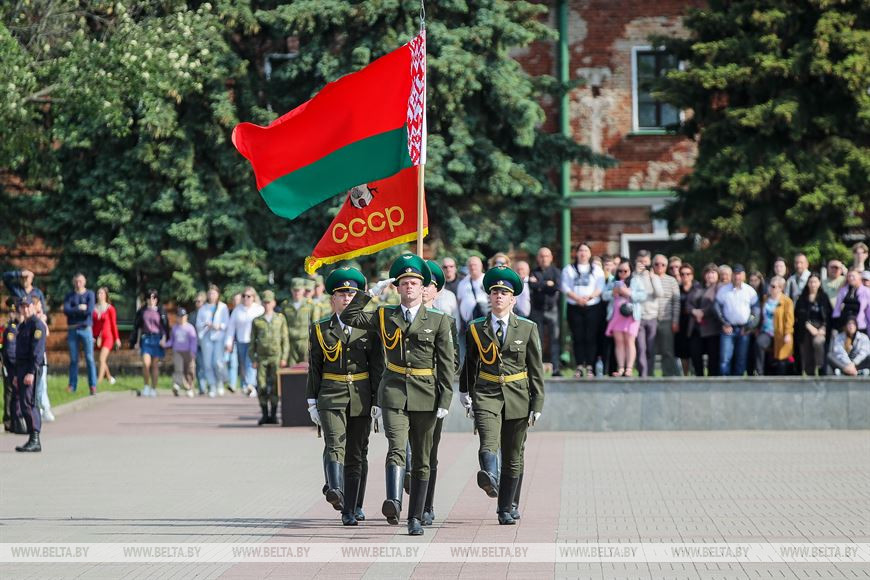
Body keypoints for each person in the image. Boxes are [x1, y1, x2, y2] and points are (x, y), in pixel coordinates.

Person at [340, 254, 454, 536]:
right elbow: (348, 316)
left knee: (423, 458)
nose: (410, 287)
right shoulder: (384, 314)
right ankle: (393, 499)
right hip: (392, 391)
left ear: (422, 286)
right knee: (396, 445)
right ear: (397, 288)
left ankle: (415, 517)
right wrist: (369, 293)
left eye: (414, 283)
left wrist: (445, 399)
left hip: (426, 392)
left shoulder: (438, 321)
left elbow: (447, 363)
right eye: (404, 283)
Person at [459, 265, 544, 525]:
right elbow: (470, 363)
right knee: (488, 441)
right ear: (489, 296)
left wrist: (537, 402)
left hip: (518, 395)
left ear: (513, 299)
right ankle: (490, 476)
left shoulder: (527, 328)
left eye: (504, 293)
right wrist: (464, 391)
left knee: (514, 454)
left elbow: (536, 367)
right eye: (494, 292)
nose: (498, 296)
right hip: (486, 393)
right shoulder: (476, 328)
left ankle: (506, 507)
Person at [307, 270, 382, 526]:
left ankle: (352, 507)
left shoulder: (369, 328)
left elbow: (376, 366)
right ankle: (336, 492)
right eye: (342, 293)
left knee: (357, 453)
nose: (347, 298)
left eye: (351, 293)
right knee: (335, 444)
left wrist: (377, 400)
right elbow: (314, 367)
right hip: (331, 394)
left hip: (361, 395)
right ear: (333, 299)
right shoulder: (320, 329)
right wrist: (311, 401)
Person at [418, 260, 460, 526]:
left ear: (437, 291)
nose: (423, 290)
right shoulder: (397, 316)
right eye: (420, 284)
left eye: (429, 285)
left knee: (429, 452)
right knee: (404, 449)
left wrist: (433, 371)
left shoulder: (446, 321)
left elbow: (454, 361)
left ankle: (426, 504)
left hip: (431, 389)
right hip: (403, 389)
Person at [561, 242, 605, 378]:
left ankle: (590, 367)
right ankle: (579, 366)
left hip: (593, 307)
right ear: (576, 253)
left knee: (591, 337)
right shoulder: (569, 269)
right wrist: (578, 298)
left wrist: (589, 297)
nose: (583, 253)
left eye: (586, 251)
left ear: (590, 253)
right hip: (574, 307)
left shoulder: (597, 269)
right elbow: (564, 287)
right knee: (578, 337)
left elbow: (600, 286)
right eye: (580, 250)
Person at [13, 296, 47, 452]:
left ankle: (35, 439)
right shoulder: (22, 326)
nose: (25, 309)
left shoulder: (37, 325)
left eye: (28, 306)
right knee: (23, 403)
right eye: (23, 306)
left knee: (29, 402)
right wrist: (15, 374)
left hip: (30, 368)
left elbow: (37, 352)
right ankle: (31, 438)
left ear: (34, 307)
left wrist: (31, 372)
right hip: (20, 368)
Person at [251, 290, 290, 425]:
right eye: (265, 302)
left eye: (269, 302)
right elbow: (252, 342)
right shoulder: (257, 321)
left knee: (274, 386)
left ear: (273, 303)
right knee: (261, 385)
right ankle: (264, 414)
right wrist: (253, 358)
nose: (267, 305)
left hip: (276, 356)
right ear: (262, 303)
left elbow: (285, 339)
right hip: (262, 357)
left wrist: (284, 357)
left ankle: (273, 415)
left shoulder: (280, 318)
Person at [603, 260, 646, 376]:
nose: (622, 273)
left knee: (630, 341)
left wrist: (629, 293)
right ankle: (621, 368)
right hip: (616, 315)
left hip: (631, 315)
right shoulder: (613, 281)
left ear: (630, 271)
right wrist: (613, 292)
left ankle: (629, 368)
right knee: (619, 342)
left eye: (625, 271)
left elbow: (643, 296)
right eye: (620, 271)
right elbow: (604, 295)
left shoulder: (636, 280)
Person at [715, 265, 759, 376]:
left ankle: (737, 387)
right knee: (725, 359)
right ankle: (725, 385)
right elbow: (716, 308)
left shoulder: (750, 291)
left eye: (739, 274)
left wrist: (749, 326)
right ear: (732, 276)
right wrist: (724, 323)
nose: (737, 277)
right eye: (735, 274)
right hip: (728, 329)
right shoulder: (723, 290)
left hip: (744, 330)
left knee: (741, 359)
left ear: (744, 276)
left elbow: (755, 312)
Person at [226, 287, 265, 398]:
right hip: (241, 341)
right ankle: (245, 385)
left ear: (253, 297)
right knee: (243, 364)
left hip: (254, 342)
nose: (246, 298)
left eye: (248, 296)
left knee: (250, 363)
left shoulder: (259, 309)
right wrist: (228, 342)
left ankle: (251, 385)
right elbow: (231, 328)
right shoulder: (237, 310)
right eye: (244, 296)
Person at [63, 273, 97, 395]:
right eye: (76, 281)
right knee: (73, 359)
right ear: (74, 282)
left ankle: (93, 386)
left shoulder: (90, 294)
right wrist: (78, 308)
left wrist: (75, 311)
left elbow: (89, 311)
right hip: (72, 329)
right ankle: (72, 385)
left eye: (81, 281)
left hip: (86, 329)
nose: (78, 283)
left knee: (89, 358)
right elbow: (66, 310)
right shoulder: (69, 295)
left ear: (85, 282)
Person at [131, 289, 170, 397]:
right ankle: (146, 386)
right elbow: (138, 327)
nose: (151, 300)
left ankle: (154, 388)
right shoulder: (142, 311)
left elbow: (164, 327)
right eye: (149, 297)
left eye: (154, 298)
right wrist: (137, 342)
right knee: (146, 364)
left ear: (157, 299)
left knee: (155, 365)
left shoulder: (161, 310)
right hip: (146, 339)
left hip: (157, 339)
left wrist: (164, 339)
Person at [529, 247, 561, 375]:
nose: (544, 259)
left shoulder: (556, 271)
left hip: (552, 310)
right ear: (538, 258)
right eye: (541, 256)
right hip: (537, 310)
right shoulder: (534, 272)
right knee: (538, 341)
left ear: (551, 258)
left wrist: (540, 284)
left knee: (555, 339)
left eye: (547, 256)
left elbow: (557, 287)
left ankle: (556, 368)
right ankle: (537, 369)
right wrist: (547, 284)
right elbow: (532, 286)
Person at [754, 276, 794, 375]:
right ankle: (759, 372)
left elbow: (789, 319)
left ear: (781, 288)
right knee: (759, 343)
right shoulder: (765, 299)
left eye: (773, 286)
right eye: (770, 286)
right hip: (767, 332)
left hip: (780, 333)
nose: (770, 288)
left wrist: (788, 333)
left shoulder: (787, 301)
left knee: (781, 360)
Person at [686, 264, 721, 376]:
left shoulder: (720, 288)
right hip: (696, 328)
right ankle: (699, 379)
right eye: (708, 272)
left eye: (713, 272)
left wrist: (703, 312)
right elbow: (688, 304)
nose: (710, 275)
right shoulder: (697, 287)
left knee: (713, 357)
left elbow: (715, 304)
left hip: (712, 328)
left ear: (717, 275)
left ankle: (712, 382)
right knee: (695, 355)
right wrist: (694, 311)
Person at [795, 273, 832, 376]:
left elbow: (829, 315)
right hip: (806, 328)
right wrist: (809, 327)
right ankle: (809, 375)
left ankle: (820, 366)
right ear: (807, 283)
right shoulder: (802, 298)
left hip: (821, 329)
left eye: (815, 282)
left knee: (818, 342)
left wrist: (823, 328)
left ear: (819, 283)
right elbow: (798, 315)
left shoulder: (824, 297)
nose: (813, 284)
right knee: (807, 356)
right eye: (811, 282)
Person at [197, 284, 229, 397]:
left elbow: (227, 324)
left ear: (218, 294)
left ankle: (220, 383)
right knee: (207, 363)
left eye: (214, 293)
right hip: (206, 337)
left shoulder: (223, 307)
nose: (212, 295)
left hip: (219, 337)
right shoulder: (203, 308)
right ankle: (212, 385)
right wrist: (206, 324)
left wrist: (218, 326)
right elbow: (198, 324)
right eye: (210, 293)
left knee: (218, 362)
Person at [652, 254, 681, 376]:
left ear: (666, 266)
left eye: (663, 264)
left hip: (667, 320)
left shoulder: (671, 280)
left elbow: (676, 302)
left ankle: (669, 377)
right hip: (650, 319)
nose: (659, 266)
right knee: (649, 351)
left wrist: (675, 321)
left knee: (667, 351)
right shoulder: (648, 278)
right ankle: (646, 377)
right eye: (656, 264)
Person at [634, 253, 662, 377]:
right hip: (638, 318)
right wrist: (636, 274)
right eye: (641, 261)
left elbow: (659, 294)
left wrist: (651, 278)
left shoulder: (654, 277)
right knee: (641, 348)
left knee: (651, 349)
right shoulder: (633, 276)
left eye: (645, 262)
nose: (643, 264)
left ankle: (650, 375)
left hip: (652, 317)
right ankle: (643, 375)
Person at [456, 256, 487, 365]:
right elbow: (459, 301)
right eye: (470, 265)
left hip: (485, 322)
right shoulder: (463, 283)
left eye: (475, 265)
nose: (473, 267)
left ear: (481, 266)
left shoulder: (486, 279)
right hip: (468, 322)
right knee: (471, 346)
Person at [164, 307, 198, 397]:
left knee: (190, 369)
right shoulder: (175, 328)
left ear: (186, 317)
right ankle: (177, 385)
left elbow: (193, 341)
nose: (181, 318)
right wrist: (165, 344)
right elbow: (172, 340)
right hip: (177, 351)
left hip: (188, 352)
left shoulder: (190, 328)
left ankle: (189, 387)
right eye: (179, 316)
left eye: (183, 316)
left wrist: (193, 352)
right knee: (178, 369)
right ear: (177, 317)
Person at [92, 287, 121, 386]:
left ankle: (98, 382)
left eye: (102, 293)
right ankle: (109, 378)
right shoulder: (93, 308)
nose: (99, 295)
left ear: (106, 295)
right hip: (97, 338)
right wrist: (92, 336)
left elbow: (114, 324)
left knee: (101, 358)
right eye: (98, 293)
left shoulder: (110, 309)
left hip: (108, 337)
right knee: (99, 360)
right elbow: (92, 324)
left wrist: (117, 338)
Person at [283, 278, 315, 366]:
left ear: (303, 290)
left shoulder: (310, 305)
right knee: (291, 370)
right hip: (290, 342)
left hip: (305, 341)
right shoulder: (285, 305)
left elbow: (315, 324)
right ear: (291, 290)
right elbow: (283, 325)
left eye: (299, 290)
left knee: (306, 368)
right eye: (294, 290)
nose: (297, 292)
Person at [675, 263, 699, 375]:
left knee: (695, 352)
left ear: (692, 275)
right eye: (682, 274)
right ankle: (685, 377)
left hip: (694, 326)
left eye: (688, 274)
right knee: (683, 354)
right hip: (681, 326)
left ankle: (695, 375)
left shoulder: (698, 288)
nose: (685, 276)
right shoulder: (677, 289)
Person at [32, 297, 53, 422]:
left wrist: (42, 320)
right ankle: (39, 408)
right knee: (36, 384)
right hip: (31, 356)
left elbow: (47, 332)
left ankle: (44, 408)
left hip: (41, 354)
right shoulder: (31, 320)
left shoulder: (41, 318)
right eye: (39, 304)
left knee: (42, 383)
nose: (41, 306)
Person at [2, 298, 21, 433]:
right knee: (9, 392)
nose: (11, 315)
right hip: (8, 364)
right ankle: (9, 420)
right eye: (10, 312)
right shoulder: (6, 328)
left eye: (14, 312)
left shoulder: (21, 326)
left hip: (18, 364)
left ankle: (17, 419)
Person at [191, 291, 208, 395]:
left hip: (207, 343)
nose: (198, 303)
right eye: (196, 301)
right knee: (200, 366)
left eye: (200, 301)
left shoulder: (208, 313)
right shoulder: (192, 315)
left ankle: (212, 385)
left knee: (209, 365)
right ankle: (202, 388)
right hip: (196, 344)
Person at [226, 293, 241, 394]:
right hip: (233, 342)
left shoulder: (244, 311)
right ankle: (232, 384)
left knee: (244, 364)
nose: (236, 302)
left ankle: (246, 385)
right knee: (233, 364)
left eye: (238, 299)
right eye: (234, 300)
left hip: (244, 341)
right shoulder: (230, 312)